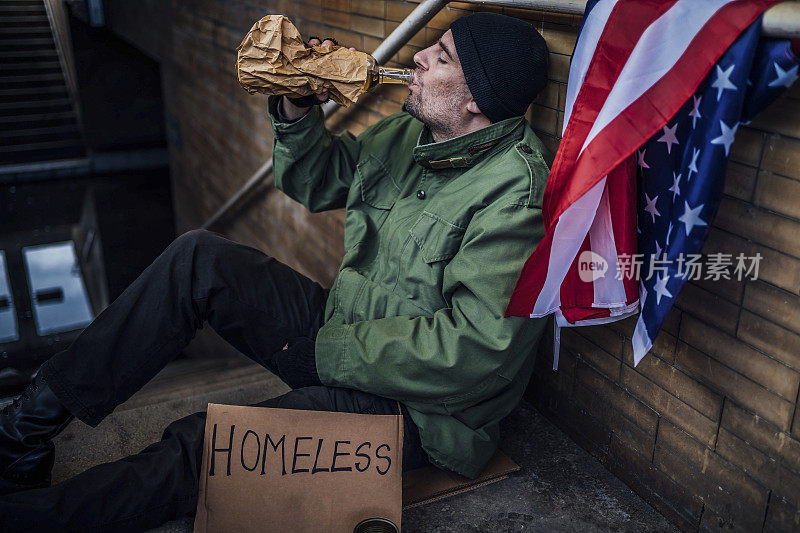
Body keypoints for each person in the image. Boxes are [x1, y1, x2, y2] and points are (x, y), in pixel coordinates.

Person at [0, 12, 551, 530]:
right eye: (433, 45)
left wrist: (328, 354)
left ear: (477, 97)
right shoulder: (410, 133)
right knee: (199, 258)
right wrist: (296, 107)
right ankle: (23, 431)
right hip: (342, 334)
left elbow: (476, 351)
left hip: (416, 410)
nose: (421, 56)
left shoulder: (514, 194)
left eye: (444, 56)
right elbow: (318, 181)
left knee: (210, 446)